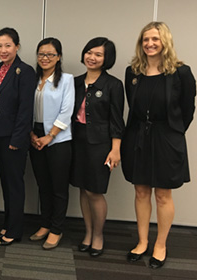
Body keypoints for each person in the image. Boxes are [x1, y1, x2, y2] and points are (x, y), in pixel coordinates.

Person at [122, 22, 196, 269]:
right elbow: (133, 109)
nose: (150, 44)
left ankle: (160, 244)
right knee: (141, 191)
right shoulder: (132, 72)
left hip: (167, 138)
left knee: (163, 194)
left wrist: (173, 133)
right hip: (138, 137)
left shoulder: (181, 72)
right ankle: (142, 242)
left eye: (155, 39)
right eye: (145, 40)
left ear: (165, 41)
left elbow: (187, 111)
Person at [70, 37, 125, 257]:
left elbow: (117, 120)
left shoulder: (113, 85)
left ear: (106, 59)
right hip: (76, 141)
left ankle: (99, 235)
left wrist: (115, 149)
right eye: (89, 52)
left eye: (98, 55)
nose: (92, 58)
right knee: (83, 189)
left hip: (100, 144)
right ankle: (88, 232)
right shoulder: (74, 82)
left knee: (95, 191)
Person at [0, 28, 36, 246]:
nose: (3, 50)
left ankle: (15, 230)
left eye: (8, 45)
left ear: (17, 46)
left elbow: (26, 110)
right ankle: (8, 223)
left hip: (13, 139)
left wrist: (17, 141)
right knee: (6, 183)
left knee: (15, 184)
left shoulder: (25, 72)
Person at [29, 37, 74, 250]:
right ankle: (45, 224)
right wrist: (30, 133)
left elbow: (66, 111)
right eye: (41, 54)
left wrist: (50, 136)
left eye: (50, 54)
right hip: (34, 136)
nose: (45, 58)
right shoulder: (32, 78)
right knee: (43, 184)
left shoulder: (66, 80)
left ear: (59, 57)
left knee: (58, 187)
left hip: (58, 139)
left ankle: (57, 228)